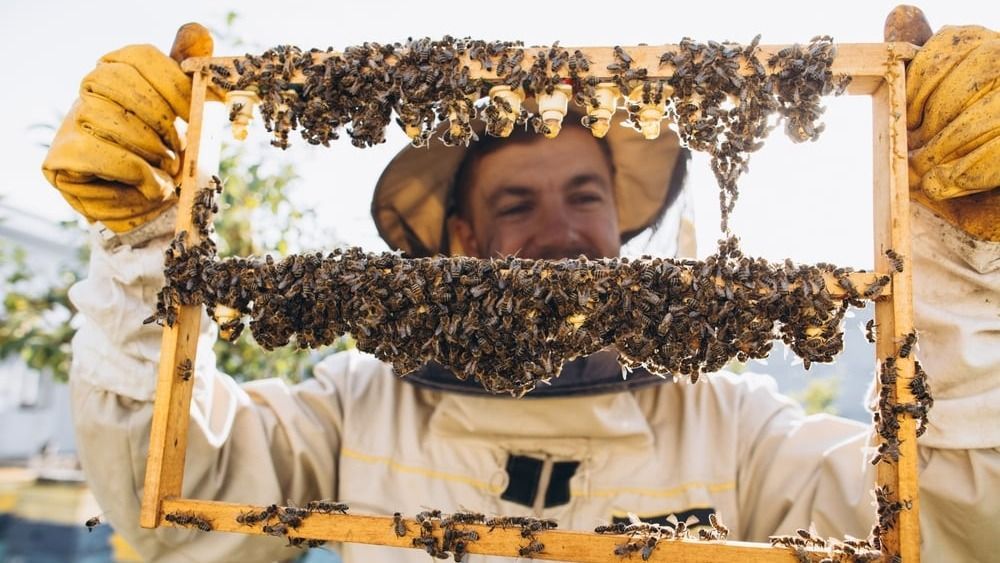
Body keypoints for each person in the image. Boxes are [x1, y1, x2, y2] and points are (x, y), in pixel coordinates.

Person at [40, 11, 999, 563]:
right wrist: (144, 247)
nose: (559, 235)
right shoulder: (355, 408)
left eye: (585, 195)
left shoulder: (733, 427)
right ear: (460, 238)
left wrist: (955, 251)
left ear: (619, 223)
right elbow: (167, 502)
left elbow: (954, 520)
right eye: (515, 204)